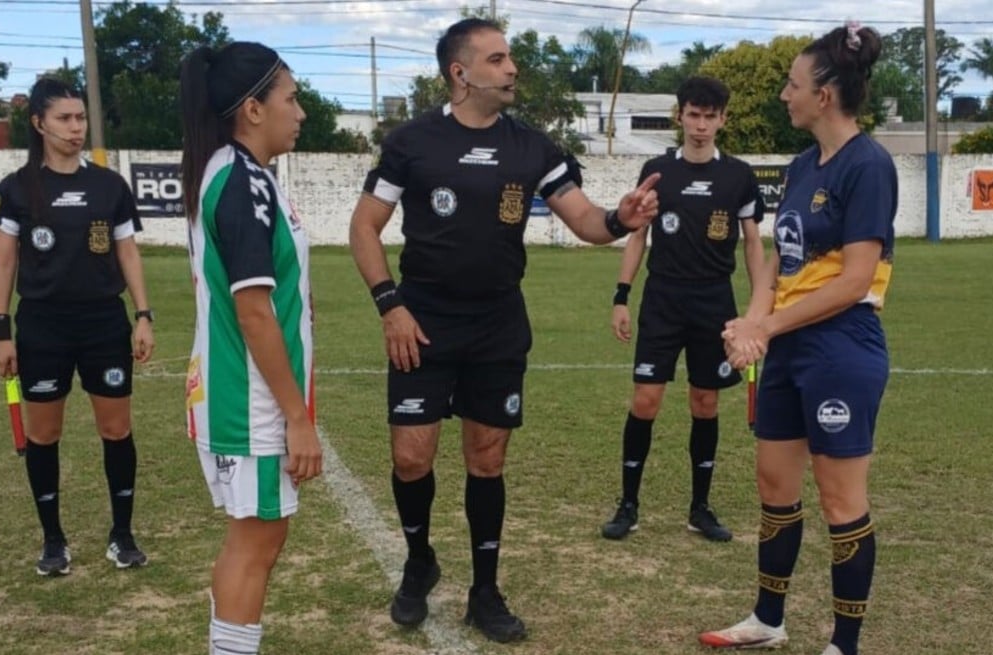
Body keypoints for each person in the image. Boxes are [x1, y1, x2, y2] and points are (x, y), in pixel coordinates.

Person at [349, 17, 660, 644]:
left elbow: (585, 222)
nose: (511, 67)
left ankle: (485, 590)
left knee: (486, 459)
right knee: (411, 458)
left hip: (497, 325)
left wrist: (620, 218)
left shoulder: (533, 148)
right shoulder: (411, 142)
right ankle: (419, 561)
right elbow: (364, 228)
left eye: (510, 57)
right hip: (423, 321)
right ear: (460, 73)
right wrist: (391, 306)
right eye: (497, 59)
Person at [698, 22, 896, 655]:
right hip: (786, 348)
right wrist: (753, 325)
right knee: (773, 488)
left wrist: (767, 326)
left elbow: (855, 280)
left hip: (842, 349)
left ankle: (845, 643)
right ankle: (768, 619)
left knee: (841, 500)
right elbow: (777, 267)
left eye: (793, 84)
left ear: (827, 95)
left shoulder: (869, 166)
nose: (785, 94)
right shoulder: (802, 165)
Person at [179, 42, 322, 655]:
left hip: (238, 394)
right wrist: (297, 418)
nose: (301, 112)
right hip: (250, 403)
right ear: (252, 109)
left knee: (252, 541)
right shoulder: (240, 182)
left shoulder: (241, 175)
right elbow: (254, 312)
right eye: (290, 98)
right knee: (256, 544)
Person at [0, 77, 154, 577]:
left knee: (116, 429)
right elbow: (3, 263)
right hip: (42, 326)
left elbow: (127, 251)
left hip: (104, 323)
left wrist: (143, 315)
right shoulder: (17, 189)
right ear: (39, 123)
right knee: (44, 434)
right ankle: (53, 540)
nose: (76, 128)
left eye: (80, 118)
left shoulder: (109, 186)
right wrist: (1, 332)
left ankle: (122, 536)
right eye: (64, 119)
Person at [600, 76, 768, 544]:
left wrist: (757, 313)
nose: (701, 125)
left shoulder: (738, 175)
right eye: (693, 115)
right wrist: (620, 297)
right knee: (646, 401)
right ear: (679, 117)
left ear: (723, 120)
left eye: (710, 116)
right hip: (663, 299)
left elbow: (753, 243)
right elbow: (637, 236)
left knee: (705, 402)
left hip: (714, 301)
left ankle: (700, 508)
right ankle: (628, 505)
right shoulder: (657, 170)